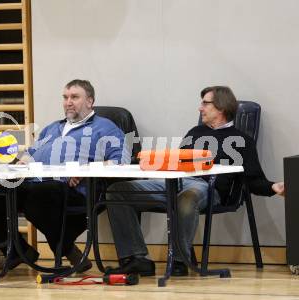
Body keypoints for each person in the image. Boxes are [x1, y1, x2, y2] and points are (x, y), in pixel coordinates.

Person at [105, 86, 285, 277]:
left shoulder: (242, 140)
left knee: (187, 198)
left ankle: (179, 261)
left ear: (221, 108)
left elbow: (253, 179)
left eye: (205, 103)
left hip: (209, 188)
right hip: (175, 182)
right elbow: (176, 162)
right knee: (117, 190)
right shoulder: (195, 132)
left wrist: (272, 187)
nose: (200, 109)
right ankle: (135, 259)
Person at [0, 79, 127, 273]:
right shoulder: (51, 128)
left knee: (37, 196)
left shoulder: (105, 128)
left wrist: (84, 169)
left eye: (74, 97)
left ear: (90, 101)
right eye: (65, 97)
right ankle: (19, 252)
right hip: (34, 184)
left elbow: (120, 161)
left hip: (72, 190)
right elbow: (30, 152)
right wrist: (22, 162)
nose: (68, 102)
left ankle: (66, 248)